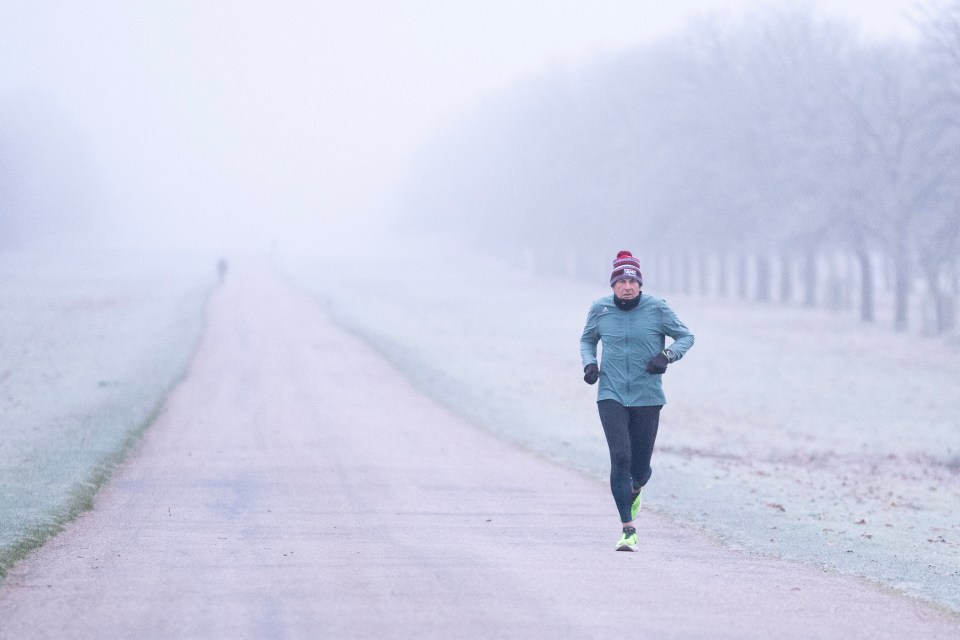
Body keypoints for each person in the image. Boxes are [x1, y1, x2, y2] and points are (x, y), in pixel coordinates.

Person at [580, 250, 694, 551]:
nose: (627, 286)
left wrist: (667, 355)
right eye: (621, 280)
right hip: (611, 393)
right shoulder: (600, 309)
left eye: (632, 280)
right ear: (613, 284)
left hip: (647, 395)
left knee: (640, 467)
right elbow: (587, 340)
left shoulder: (657, 308)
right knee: (620, 457)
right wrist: (589, 363)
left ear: (640, 284)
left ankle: (636, 484)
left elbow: (686, 337)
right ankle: (627, 529)